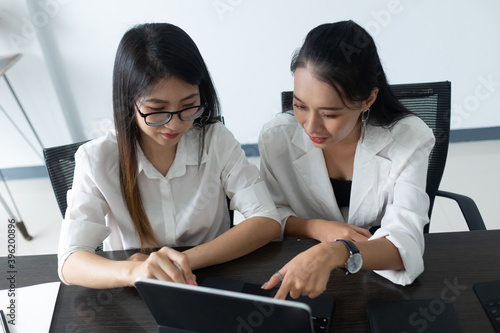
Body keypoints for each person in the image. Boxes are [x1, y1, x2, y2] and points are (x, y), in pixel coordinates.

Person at [57, 23, 281, 289]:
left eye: (188, 106)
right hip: (135, 290)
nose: (174, 125)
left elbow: (267, 220)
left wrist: (178, 262)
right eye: (157, 110)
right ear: (130, 102)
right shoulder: (97, 158)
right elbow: (71, 261)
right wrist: (135, 272)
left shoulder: (215, 140)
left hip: (211, 281)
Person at [259, 20, 435, 299]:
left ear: (368, 99)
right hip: (298, 272)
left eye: (329, 114)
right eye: (300, 106)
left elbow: (406, 243)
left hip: (373, 278)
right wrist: (317, 228)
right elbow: (267, 215)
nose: (311, 126)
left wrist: (336, 251)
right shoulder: (276, 137)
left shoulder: (409, 138)